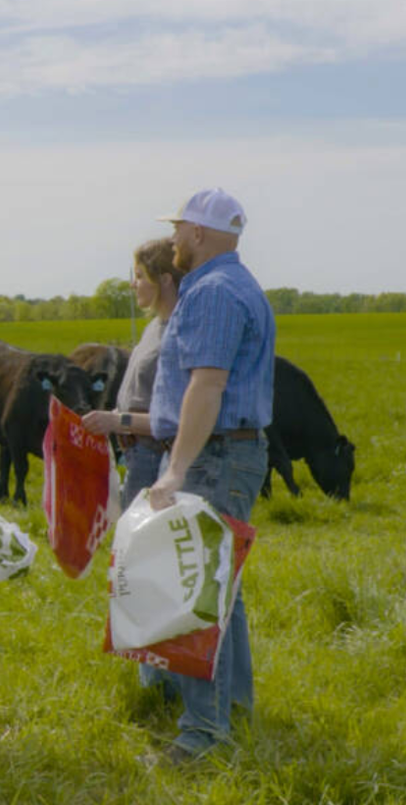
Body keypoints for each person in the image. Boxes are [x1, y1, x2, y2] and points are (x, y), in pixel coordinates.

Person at [144, 187, 275, 763]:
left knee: (199, 594)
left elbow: (207, 384)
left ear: (197, 232)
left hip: (213, 456)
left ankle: (201, 736)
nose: (172, 239)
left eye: (177, 229)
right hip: (225, 451)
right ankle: (231, 708)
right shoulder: (232, 285)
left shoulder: (215, 292)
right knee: (222, 593)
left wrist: (175, 470)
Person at [83, 237, 184, 508]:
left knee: (144, 542)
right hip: (137, 453)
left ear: (164, 279)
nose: (133, 284)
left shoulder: (179, 333)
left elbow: (174, 418)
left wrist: (117, 421)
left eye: (140, 276)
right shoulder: (154, 327)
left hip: (156, 456)